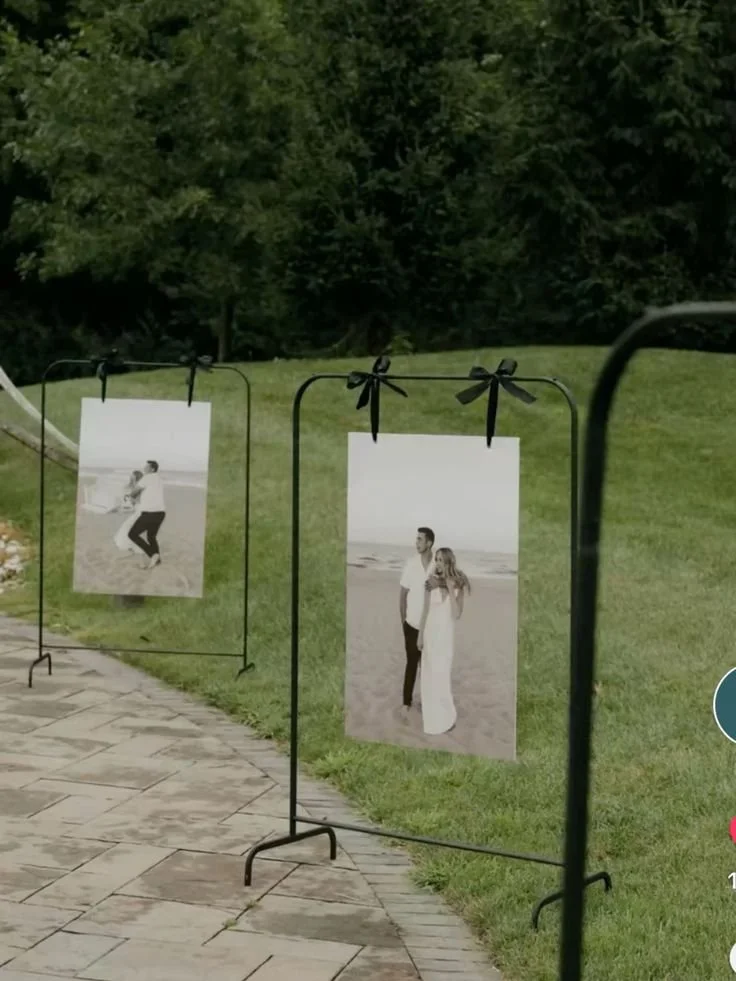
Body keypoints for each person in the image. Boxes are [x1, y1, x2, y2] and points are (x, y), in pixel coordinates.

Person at [417, 547, 471, 736]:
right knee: (430, 676)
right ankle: (432, 716)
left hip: (445, 637)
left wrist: (447, 585)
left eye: (442, 560)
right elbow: (424, 611)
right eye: (437, 559)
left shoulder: (458, 585)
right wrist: (420, 635)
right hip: (430, 634)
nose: (438, 563)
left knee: (442, 675)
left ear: (449, 563)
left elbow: (456, 614)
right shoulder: (429, 583)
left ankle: (447, 716)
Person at [398, 527, 435, 720]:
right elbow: (403, 595)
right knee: (411, 663)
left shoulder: (437, 565)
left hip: (431, 627)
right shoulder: (411, 564)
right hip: (411, 624)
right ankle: (406, 702)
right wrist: (404, 622)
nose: (417, 542)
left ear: (429, 543)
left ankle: (426, 701)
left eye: (420, 539)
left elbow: (454, 579)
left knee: (428, 666)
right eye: (417, 539)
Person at [127, 460, 166, 570]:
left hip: (150, 513)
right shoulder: (159, 478)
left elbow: (135, 491)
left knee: (132, 534)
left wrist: (130, 496)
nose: (144, 468)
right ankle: (157, 560)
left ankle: (153, 555)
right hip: (161, 513)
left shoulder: (147, 477)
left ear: (152, 469)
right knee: (151, 537)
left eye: (146, 466)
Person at [113, 470, 144, 554]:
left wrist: (129, 499)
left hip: (140, 512)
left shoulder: (140, 488)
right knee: (127, 528)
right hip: (138, 511)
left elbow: (136, 501)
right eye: (131, 476)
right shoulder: (136, 487)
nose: (131, 478)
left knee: (127, 529)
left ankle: (134, 548)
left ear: (136, 478)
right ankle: (131, 547)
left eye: (133, 477)